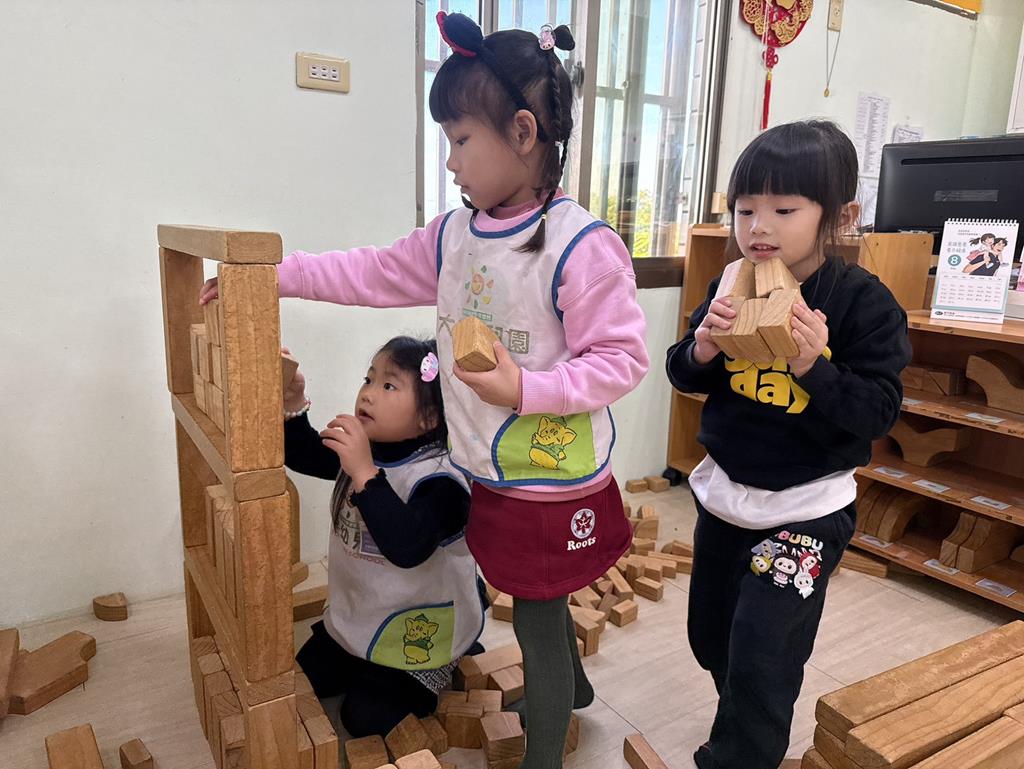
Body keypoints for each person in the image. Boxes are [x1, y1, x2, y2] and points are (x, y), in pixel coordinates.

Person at [202, 13, 648, 768]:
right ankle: (571, 688)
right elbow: (372, 270)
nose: (450, 161)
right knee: (535, 594)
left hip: (550, 480)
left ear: (523, 133)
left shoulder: (582, 246)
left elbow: (622, 359)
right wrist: (279, 275)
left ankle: (545, 752)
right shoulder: (456, 236)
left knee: (536, 613)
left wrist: (525, 387)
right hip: (488, 467)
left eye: (461, 140)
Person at [665, 120, 911, 769]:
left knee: (763, 649)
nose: (758, 227)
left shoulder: (863, 304)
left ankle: (742, 751)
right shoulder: (732, 282)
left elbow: (878, 411)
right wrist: (702, 347)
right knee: (711, 636)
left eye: (783, 209)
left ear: (840, 216)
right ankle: (740, 714)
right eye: (745, 209)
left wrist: (813, 365)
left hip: (807, 509)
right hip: (727, 497)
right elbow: (683, 373)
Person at [284, 337, 483, 737]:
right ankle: (358, 650)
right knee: (305, 678)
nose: (368, 394)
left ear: (429, 417)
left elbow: (407, 547)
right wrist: (293, 402)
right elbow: (303, 454)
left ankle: (447, 660)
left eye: (389, 385)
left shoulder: (442, 480)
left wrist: (364, 474)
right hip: (362, 611)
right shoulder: (366, 450)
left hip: (417, 629)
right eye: (368, 379)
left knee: (363, 720)